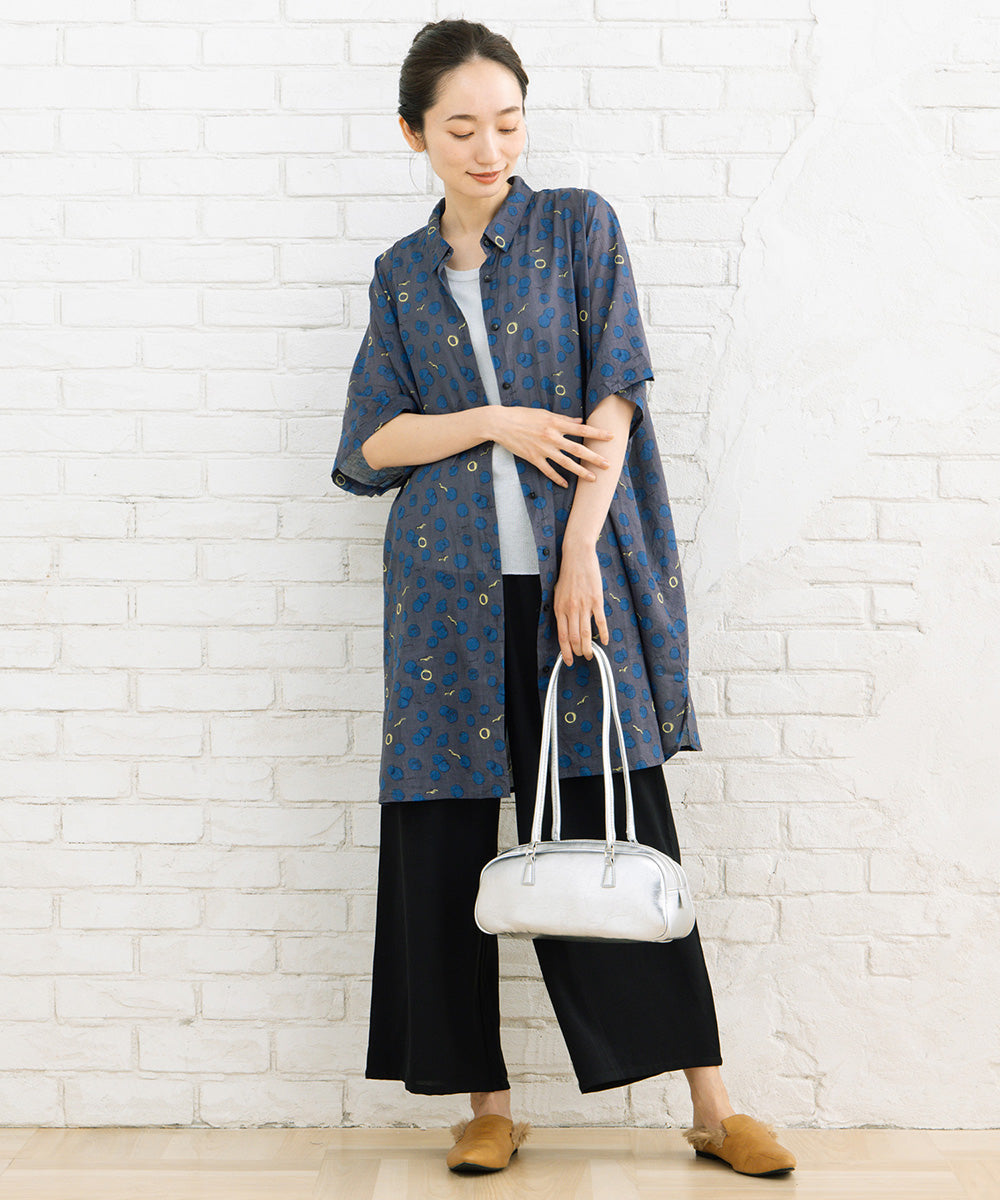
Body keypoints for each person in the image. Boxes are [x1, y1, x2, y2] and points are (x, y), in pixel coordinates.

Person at [331, 17, 796, 1180]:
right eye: (461, 129)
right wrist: (491, 420)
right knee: (441, 837)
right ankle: (484, 1105)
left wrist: (582, 549)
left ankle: (710, 1103)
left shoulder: (579, 226)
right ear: (414, 135)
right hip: (441, 594)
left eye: (507, 122)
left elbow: (617, 390)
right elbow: (373, 442)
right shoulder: (399, 275)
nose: (489, 148)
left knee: (621, 823)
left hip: (568, 582)